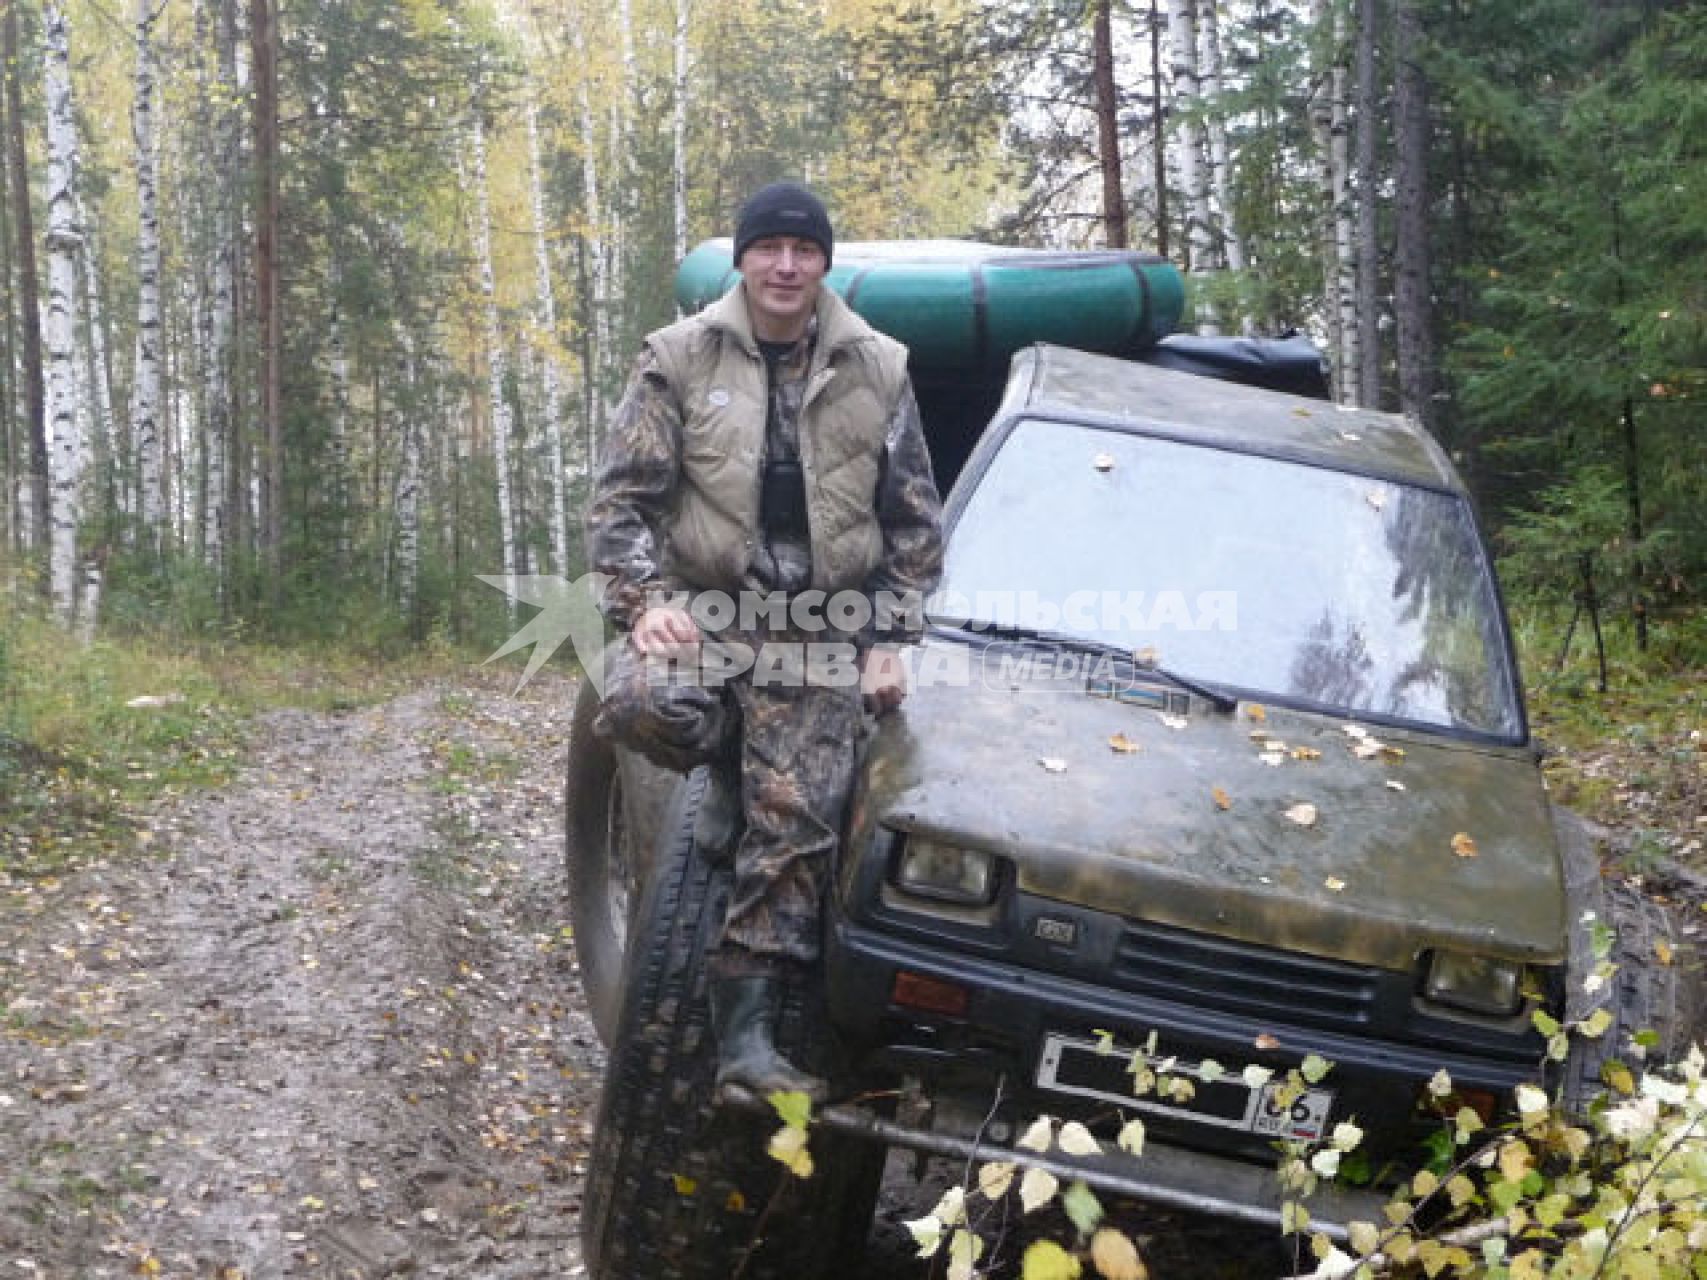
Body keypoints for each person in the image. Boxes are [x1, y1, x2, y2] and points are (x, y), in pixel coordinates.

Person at [584, 181, 944, 1100]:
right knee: (636, 701)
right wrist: (645, 603)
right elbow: (622, 504)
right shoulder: (676, 358)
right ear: (743, 259)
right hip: (706, 606)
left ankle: (743, 1036)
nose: (786, 266)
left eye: (804, 249)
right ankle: (731, 753)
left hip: (822, 624)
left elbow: (912, 525)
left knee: (798, 823)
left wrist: (891, 637)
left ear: (825, 263)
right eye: (769, 247)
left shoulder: (881, 367)